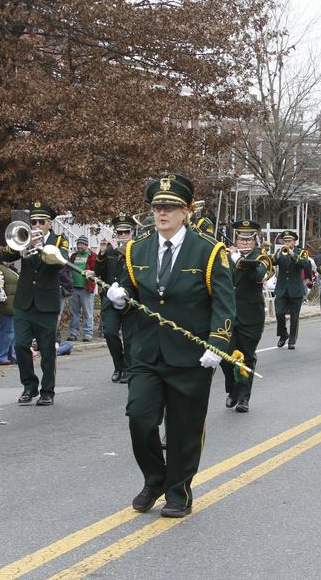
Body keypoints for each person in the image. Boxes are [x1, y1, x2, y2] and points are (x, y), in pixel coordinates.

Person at [107, 173, 236, 518]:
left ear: (186, 211)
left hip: (192, 357)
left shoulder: (209, 251)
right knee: (140, 418)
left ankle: (179, 490)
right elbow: (132, 293)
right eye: (157, 207)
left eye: (170, 207)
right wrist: (120, 298)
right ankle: (156, 478)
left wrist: (217, 344)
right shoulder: (137, 249)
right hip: (147, 352)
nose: (161, 213)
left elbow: (224, 304)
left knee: (184, 428)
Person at [0, 202, 69, 406]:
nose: (36, 225)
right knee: (20, 344)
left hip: (46, 304)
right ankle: (29, 386)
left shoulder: (59, 241)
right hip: (24, 302)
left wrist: (40, 248)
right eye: (34, 222)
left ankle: (48, 390)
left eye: (41, 222)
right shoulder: (24, 238)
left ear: (49, 224)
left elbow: (61, 261)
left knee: (47, 350)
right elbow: (4, 254)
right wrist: (19, 248)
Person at [222, 219, 271, 412]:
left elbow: (258, 275)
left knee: (247, 356)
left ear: (255, 240)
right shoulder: (225, 255)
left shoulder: (263, 256)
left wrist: (238, 260)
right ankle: (233, 390)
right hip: (227, 314)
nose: (244, 243)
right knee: (226, 356)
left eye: (248, 240)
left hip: (251, 316)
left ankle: (243, 398)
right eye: (241, 240)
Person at [94, 214, 135, 383]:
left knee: (130, 336)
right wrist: (102, 253)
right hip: (110, 299)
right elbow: (99, 272)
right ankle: (118, 366)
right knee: (110, 332)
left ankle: (128, 368)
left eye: (126, 232)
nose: (123, 236)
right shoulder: (110, 251)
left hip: (129, 300)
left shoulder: (137, 249)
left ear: (132, 232)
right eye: (120, 233)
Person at [272, 229, 312, 350]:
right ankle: (283, 334)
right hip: (281, 288)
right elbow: (272, 261)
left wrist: (292, 254)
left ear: (294, 242)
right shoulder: (280, 252)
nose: (286, 243)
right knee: (279, 313)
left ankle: (292, 339)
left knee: (294, 316)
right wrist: (278, 254)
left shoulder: (301, 252)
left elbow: (306, 265)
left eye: (289, 241)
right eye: (285, 241)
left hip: (295, 289)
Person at [0, 247, 17, 366]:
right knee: (6, 331)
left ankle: (12, 355)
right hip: (6, 306)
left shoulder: (5, 269)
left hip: (11, 305)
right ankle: (1, 356)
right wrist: (3, 300)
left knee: (11, 332)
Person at [66, 235, 96, 341]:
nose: (78, 246)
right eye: (78, 244)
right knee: (74, 312)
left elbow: (97, 270)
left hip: (86, 288)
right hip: (74, 288)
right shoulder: (74, 256)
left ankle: (88, 334)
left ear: (86, 245)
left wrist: (92, 272)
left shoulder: (92, 255)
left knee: (88, 312)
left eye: (81, 244)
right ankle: (74, 333)